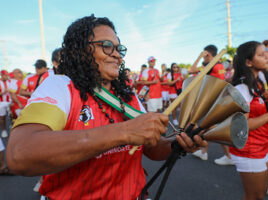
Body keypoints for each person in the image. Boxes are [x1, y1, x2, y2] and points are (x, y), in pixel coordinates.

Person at [6, 15, 207, 200]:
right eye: (107, 46)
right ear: (79, 50)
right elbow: (19, 154)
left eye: (119, 49)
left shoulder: (127, 93)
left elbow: (152, 149)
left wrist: (177, 143)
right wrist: (124, 131)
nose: (117, 56)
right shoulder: (60, 86)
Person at [229, 41, 268, 200]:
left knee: (261, 193)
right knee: (254, 196)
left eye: (267, 54)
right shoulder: (242, 89)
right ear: (249, 62)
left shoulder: (256, 84)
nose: (267, 56)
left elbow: (261, 108)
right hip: (249, 151)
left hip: (261, 145)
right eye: (261, 54)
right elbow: (239, 127)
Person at [0, 70, 12, 138]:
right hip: (1, 103)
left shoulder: (9, 81)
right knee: (2, 117)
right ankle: (3, 130)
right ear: (2, 75)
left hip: (10, 101)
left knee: (12, 115)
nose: (7, 77)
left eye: (8, 75)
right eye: (6, 75)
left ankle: (12, 128)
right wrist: (3, 92)